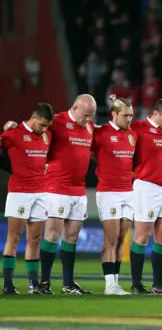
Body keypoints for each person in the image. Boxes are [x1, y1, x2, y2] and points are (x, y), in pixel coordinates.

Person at [9, 95, 97, 295]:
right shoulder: (56, 121)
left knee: (72, 236)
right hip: (56, 187)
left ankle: (68, 284)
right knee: (52, 234)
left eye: (90, 115)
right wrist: (12, 127)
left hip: (79, 189)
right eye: (85, 115)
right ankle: (45, 282)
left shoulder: (90, 126)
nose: (87, 119)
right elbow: (33, 130)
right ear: (74, 108)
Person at [1, 104, 53, 294]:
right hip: (20, 191)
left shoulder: (47, 136)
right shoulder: (13, 133)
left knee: (35, 239)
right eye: (42, 125)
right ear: (34, 118)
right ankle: (7, 285)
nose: (44, 130)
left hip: (41, 191)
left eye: (47, 126)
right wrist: (10, 167)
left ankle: (33, 285)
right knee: (14, 237)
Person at [129, 98, 162, 294]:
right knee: (142, 236)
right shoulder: (138, 128)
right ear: (155, 113)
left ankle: (158, 283)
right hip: (147, 187)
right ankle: (136, 284)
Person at [92, 95, 136, 295]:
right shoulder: (99, 133)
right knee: (110, 239)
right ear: (114, 114)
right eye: (125, 115)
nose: (129, 119)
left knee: (120, 238)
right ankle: (109, 284)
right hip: (109, 192)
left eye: (131, 115)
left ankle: (116, 283)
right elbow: (87, 151)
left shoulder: (132, 135)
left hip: (128, 191)